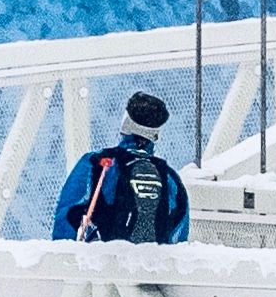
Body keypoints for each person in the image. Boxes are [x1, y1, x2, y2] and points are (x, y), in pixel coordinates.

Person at [55, 91, 192, 242]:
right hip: (154, 262)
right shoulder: (169, 176)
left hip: (105, 260)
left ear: (125, 124)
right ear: (155, 134)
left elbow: (67, 213)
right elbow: (180, 230)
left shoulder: (98, 162)